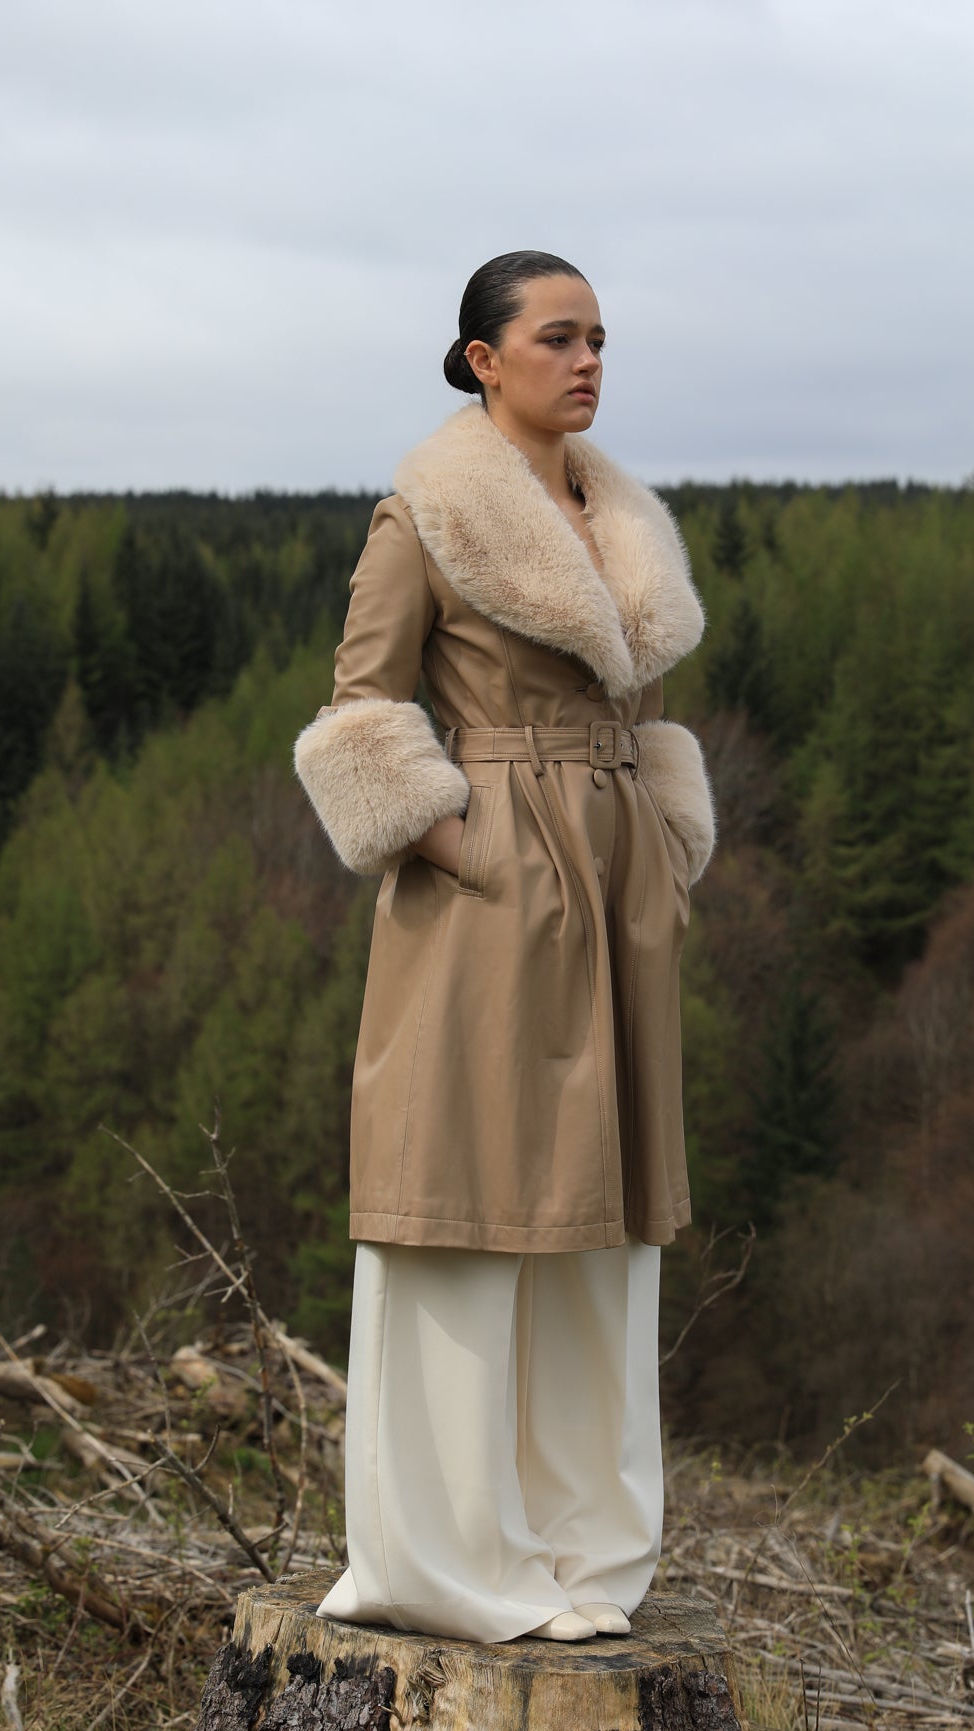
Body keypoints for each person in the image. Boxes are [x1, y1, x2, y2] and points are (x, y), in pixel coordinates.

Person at [293, 250, 716, 1645]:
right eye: (556, 337)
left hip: (614, 878)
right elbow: (359, 711)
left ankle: (584, 1553)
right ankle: (448, 1559)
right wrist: (461, 844)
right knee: (467, 1203)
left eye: (599, 337)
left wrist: (656, 829)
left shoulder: (611, 514)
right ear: (482, 357)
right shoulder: (427, 512)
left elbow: (635, 699)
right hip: (490, 881)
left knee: (603, 1215)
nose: (587, 360)